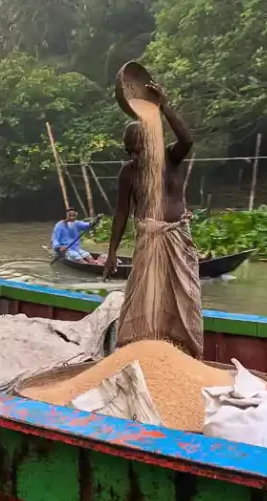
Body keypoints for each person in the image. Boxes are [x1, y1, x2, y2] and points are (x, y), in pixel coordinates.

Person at [103, 81, 203, 359]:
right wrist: (111, 253)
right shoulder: (128, 173)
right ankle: (136, 352)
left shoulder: (169, 159)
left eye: (138, 148)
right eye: (129, 152)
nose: (135, 155)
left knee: (186, 297)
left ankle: (184, 353)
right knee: (141, 298)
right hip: (148, 239)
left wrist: (165, 105)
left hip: (176, 237)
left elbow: (187, 140)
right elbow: (121, 212)